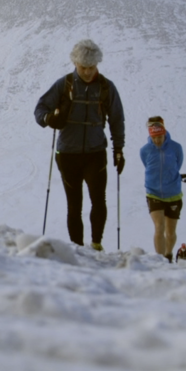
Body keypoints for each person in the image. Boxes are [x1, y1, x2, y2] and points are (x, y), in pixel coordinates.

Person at [34, 39, 125, 250]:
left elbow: (117, 119)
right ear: (75, 63)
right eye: (83, 67)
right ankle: (77, 248)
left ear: (97, 64)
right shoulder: (63, 85)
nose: (87, 71)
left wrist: (118, 149)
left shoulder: (106, 87)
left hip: (95, 153)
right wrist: (49, 119)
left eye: (91, 67)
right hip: (67, 154)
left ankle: (96, 244)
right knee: (74, 205)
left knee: (98, 200)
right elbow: (40, 109)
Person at [139, 116, 185, 262]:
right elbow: (146, 165)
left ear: (164, 133)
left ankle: (168, 255)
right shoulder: (145, 150)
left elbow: (178, 165)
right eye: (154, 138)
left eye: (159, 137)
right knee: (159, 227)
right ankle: (160, 261)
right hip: (154, 193)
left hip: (173, 194)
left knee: (170, 233)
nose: (157, 140)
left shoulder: (176, 148)